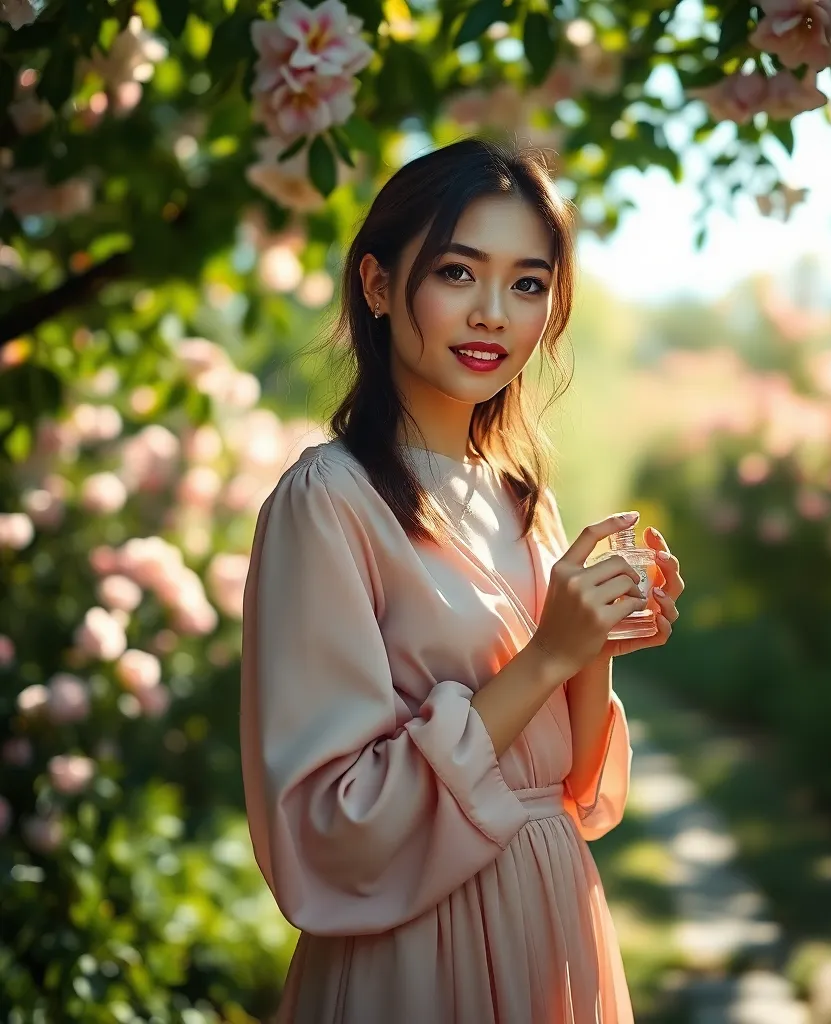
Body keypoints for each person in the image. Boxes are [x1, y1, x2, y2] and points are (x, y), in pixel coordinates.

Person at [239, 136, 684, 1023]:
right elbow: (334, 827)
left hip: (554, 914)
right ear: (376, 284)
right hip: (419, 942)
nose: (493, 314)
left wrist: (590, 643)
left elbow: (575, 794)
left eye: (527, 284)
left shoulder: (524, 501)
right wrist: (546, 655)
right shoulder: (328, 502)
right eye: (456, 272)